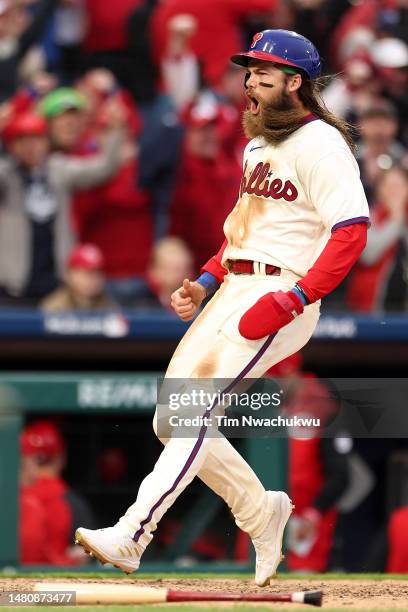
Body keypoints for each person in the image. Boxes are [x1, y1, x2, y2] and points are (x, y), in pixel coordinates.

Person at [75, 29, 369, 586]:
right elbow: (242, 231)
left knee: (190, 412)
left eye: (263, 72)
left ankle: (134, 531)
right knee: (171, 419)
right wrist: (206, 281)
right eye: (249, 70)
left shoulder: (322, 144)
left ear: (295, 82)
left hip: (279, 292)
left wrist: (296, 298)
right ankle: (261, 513)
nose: (251, 82)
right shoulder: (258, 144)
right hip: (236, 286)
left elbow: (351, 232)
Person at [20, 419, 94, 565]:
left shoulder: (12, 497)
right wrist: (69, 560)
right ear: (61, 457)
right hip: (57, 581)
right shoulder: (71, 503)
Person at [41, 243, 115, 312]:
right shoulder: (53, 307)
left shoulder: (110, 307)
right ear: (69, 275)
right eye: (87, 273)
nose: (93, 279)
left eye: (98, 273)